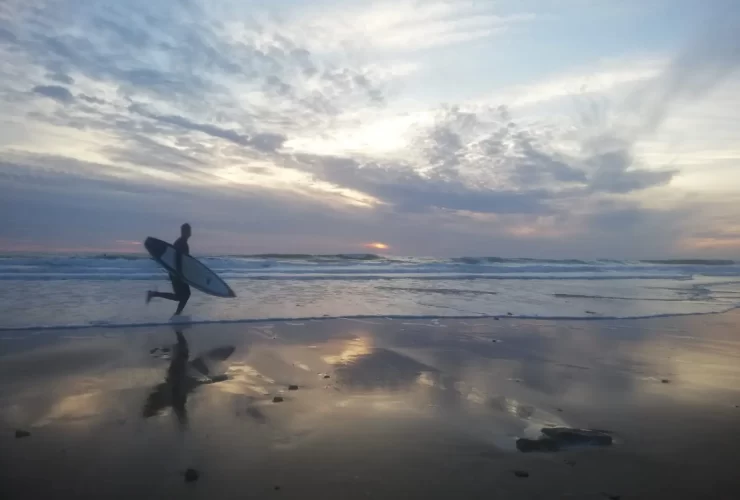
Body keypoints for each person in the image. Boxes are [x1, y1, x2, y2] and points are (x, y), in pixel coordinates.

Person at [146, 223, 192, 315]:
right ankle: (177, 314)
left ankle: (176, 314)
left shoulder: (182, 242)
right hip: (177, 273)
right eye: (188, 231)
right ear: (184, 232)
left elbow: (183, 260)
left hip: (177, 273)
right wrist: (179, 274)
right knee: (183, 295)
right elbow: (176, 260)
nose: (190, 232)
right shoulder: (181, 243)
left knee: (182, 296)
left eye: (189, 230)